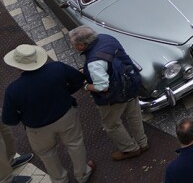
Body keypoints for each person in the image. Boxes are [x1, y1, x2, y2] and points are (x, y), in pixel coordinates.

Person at [1, 45, 92, 183]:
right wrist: (66, 93)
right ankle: (83, 174)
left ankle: (60, 180)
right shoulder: (57, 68)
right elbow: (78, 80)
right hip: (66, 116)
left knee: (47, 154)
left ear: (18, 66)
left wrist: (24, 116)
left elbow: (10, 119)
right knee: (75, 144)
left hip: (37, 129)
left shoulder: (13, 90)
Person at [69, 27, 146, 161]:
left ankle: (130, 149)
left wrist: (86, 86)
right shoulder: (106, 38)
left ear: (82, 45)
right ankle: (143, 143)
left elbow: (102, 87)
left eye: (74, 44)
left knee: (111, 124)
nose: (73, 46)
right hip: (131, 83)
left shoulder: (94, 63)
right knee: (134, 115)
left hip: (114, 96)